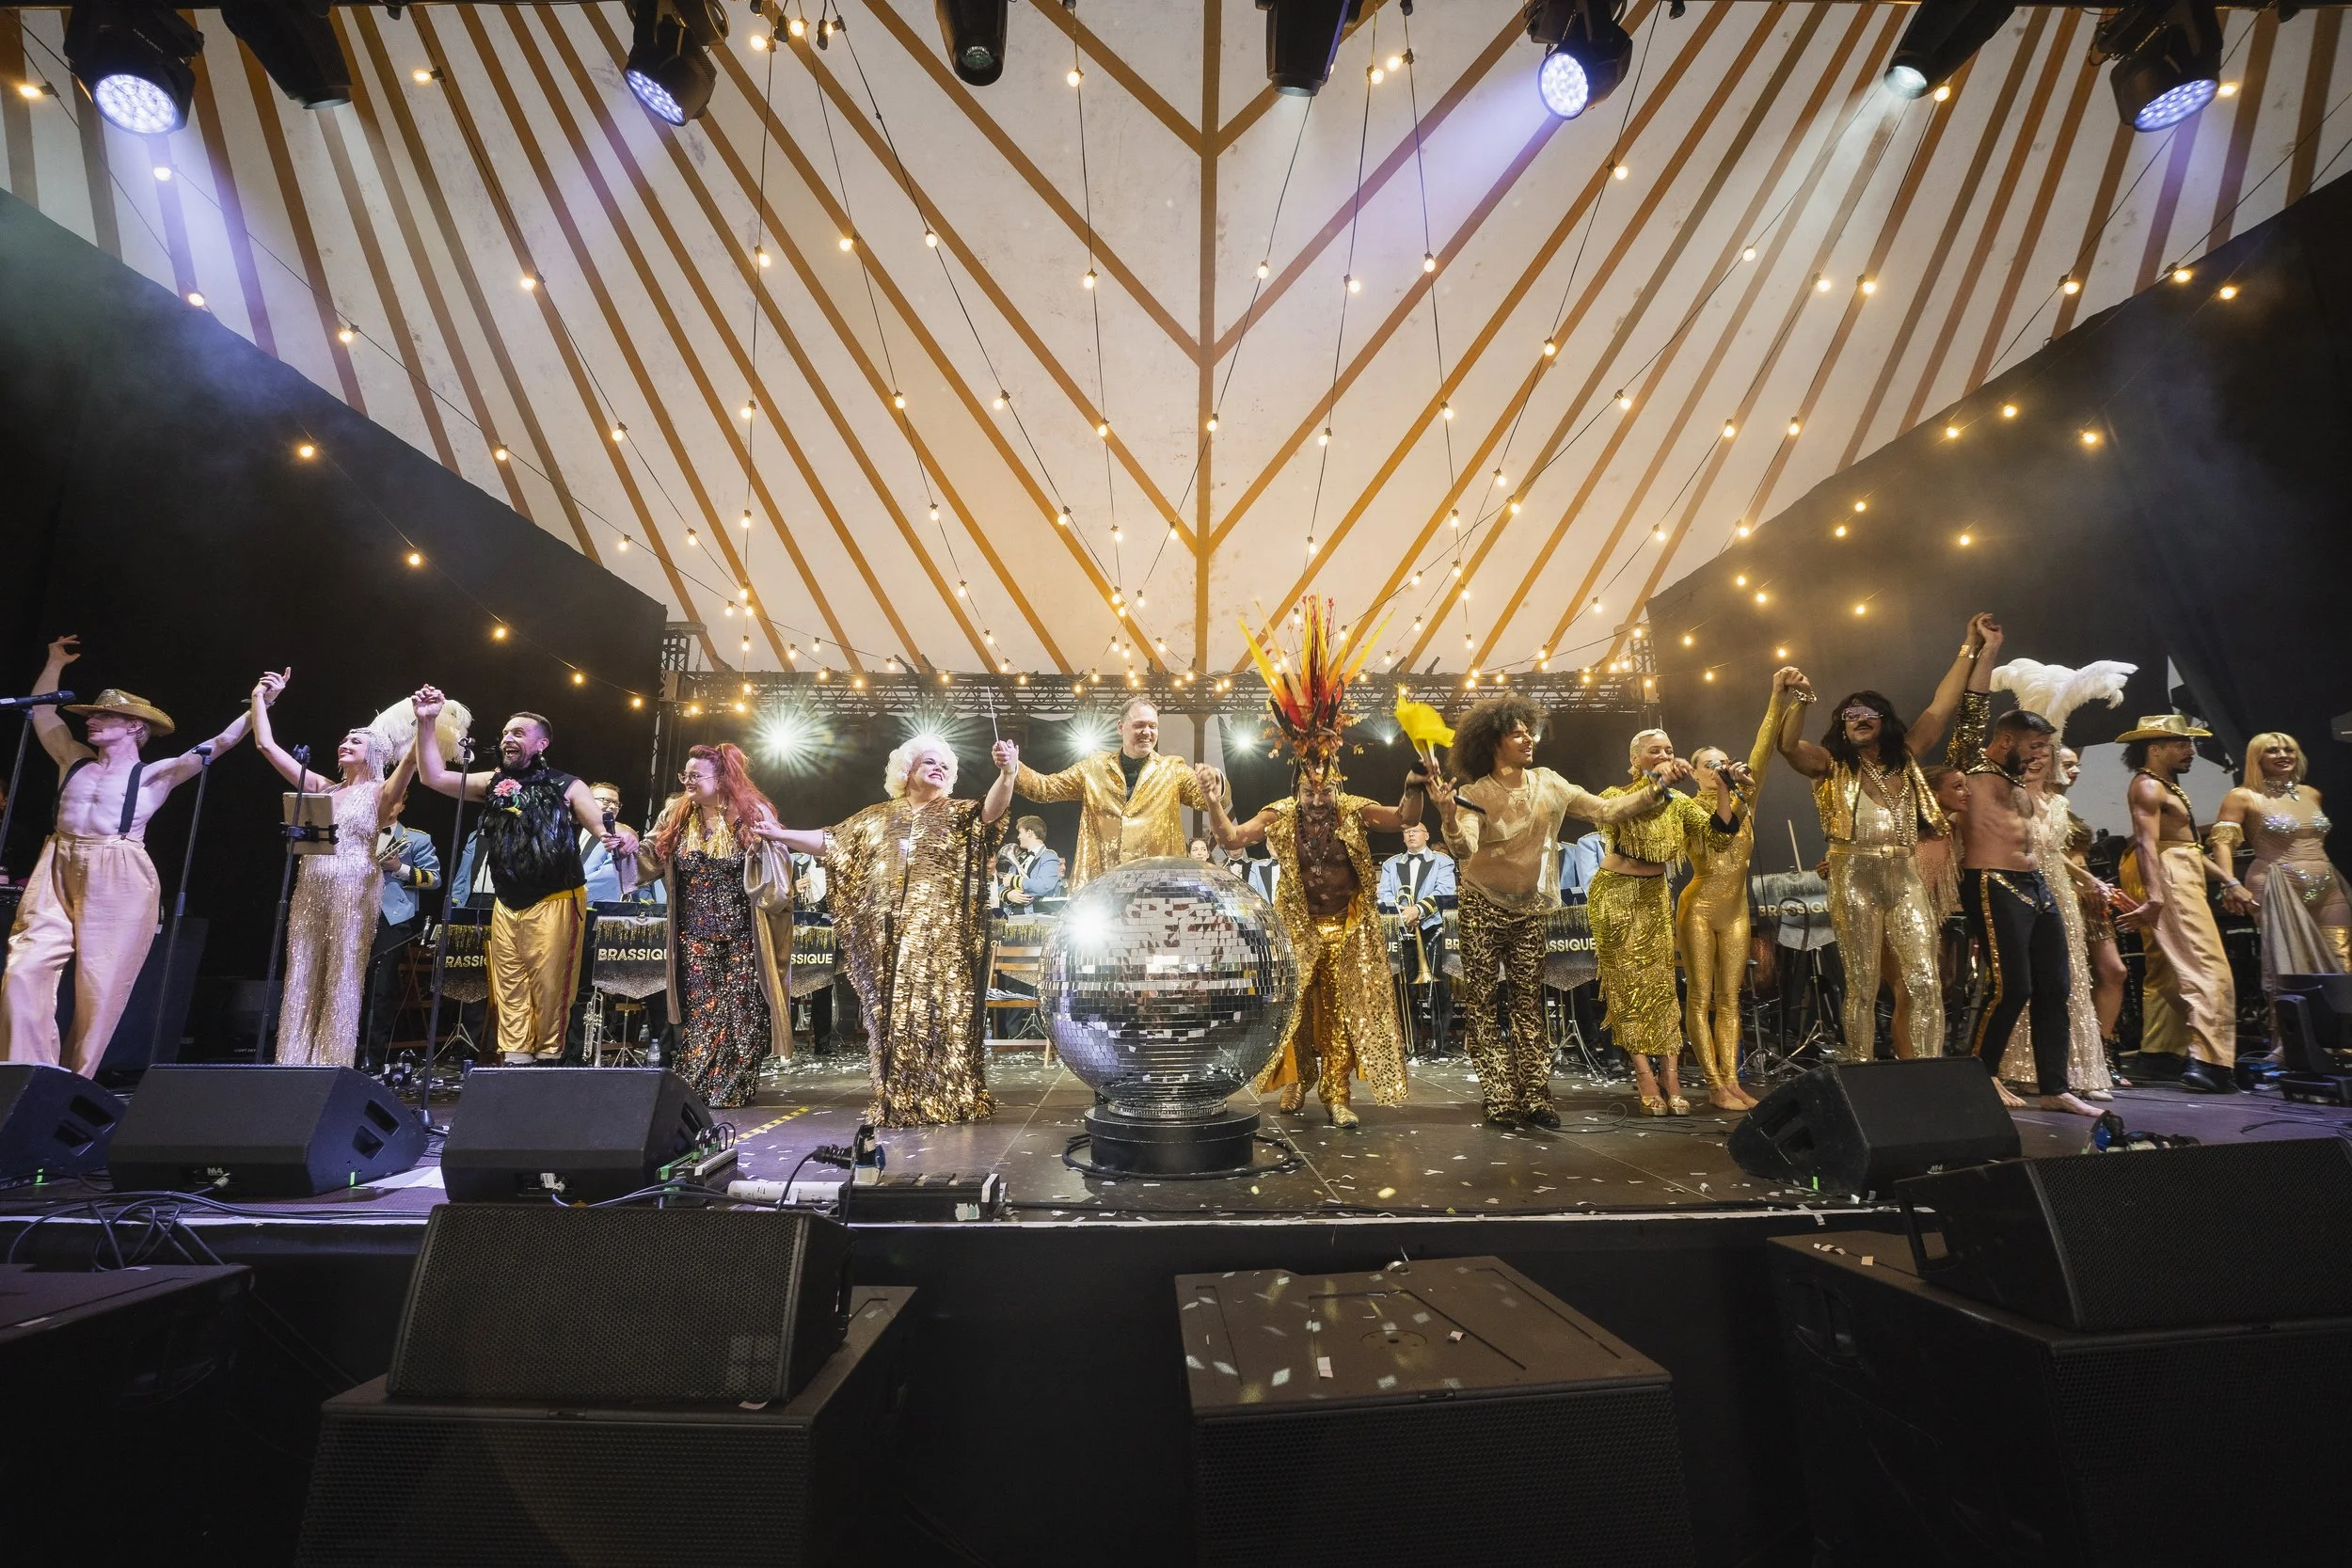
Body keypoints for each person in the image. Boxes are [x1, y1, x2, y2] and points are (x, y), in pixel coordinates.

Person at [1199, 598, 1420, 1128]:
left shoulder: (1353, 810)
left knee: (1340, 1012)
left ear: (1336, 785)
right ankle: (1298, 1081)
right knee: (1293, 1010)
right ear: (1297, 786)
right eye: (1309, 791)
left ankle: (1338, 1094)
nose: (1318, 799)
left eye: (1325, 791)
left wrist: (1414, 787)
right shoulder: (1279, 814)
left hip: (1347, 928)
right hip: (1297, 928)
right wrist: (1212, 800)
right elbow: (1231, 839)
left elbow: (1401, 819)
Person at [1, 637, 256, 1076]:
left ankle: (73, 1079)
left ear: (135, 726)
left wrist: (258, 706)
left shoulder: (154, 775)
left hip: (118, 870)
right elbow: (43, 712)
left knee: (100, 986)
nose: (92, 721)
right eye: (93, 715)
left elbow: (220, 743)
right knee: (24, 969)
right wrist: (54, 663)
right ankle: (25, 1071)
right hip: (58, 860)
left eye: (104, 716)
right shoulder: (73, 759)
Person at [1435, 692, 1686, 1128]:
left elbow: (1606, 810)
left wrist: (1656, 789)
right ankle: (1499, 1096)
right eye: (1517, 734)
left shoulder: (1549, 782)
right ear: (1493, 743)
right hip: (1481, 904)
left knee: (1528, 1002)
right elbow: (1464, 847)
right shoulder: (1475, 794)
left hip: (1530, 909)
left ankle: (1534, 1095)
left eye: (1528, 732)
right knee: (1482, 1002)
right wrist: (1448, 816)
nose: (1528, 739)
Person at [759, 735, 1016, 1126]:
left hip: (940, 939)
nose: (939, 768)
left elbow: (992, 812)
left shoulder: (959, 813)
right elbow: (831, 841)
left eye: (945, 765)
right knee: (892, 1015)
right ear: (907, 769)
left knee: (938, 1013)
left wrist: (1007, 773)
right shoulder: (877, 816)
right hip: (887, 938)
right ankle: (898, 1094)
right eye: (929, 762)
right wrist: (780, 834)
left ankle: (947, 1094)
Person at [1772, 613, 1991, 1061]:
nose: (1858, 719)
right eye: (1849, 715)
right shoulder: (1830, 765)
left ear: (1883, 721)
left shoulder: (1906, 757)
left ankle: (1929, 1073)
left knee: (1926, 980)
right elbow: (1788, 746)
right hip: (1854, 875)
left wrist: (1971, 645)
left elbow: (1941, 706)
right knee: (1863, 984)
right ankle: (1862, 1069)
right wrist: (1802, 700)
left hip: (1904, 876)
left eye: (1866, 713)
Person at [408, 688, 636, 1066]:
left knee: (549, 986)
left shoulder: (567, 785)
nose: (507, 739)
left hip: (556, 899)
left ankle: (546, 1060)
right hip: (507, 902)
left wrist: (622, 837)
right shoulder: (492, 781)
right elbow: (433, 777)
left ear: (541, 744)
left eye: (517, 733)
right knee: (509, 985)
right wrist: (427, 722)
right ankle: (516, 1061)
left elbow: (601, 826)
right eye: (504, 733)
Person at [1945, 635, 2100, 1116]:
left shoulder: (2019, 780)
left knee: (2056, 987)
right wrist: (1986, 649)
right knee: (2011, 987)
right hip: (1992, 881)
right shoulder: (1972, 763)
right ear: (2005, 740)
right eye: (2034, 746)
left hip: (2037, 885)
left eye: (2045, 747)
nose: (2040, 756)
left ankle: (2055, 1087)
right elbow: (1972, 706)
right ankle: (1983, 1075)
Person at [248, 673, 423, 1067]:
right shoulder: (323, 789)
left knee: (343, 971)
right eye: (344, 739)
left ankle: (331, 1061)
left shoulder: (381, 792)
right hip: (311, 884)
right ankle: (292, 1060)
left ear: (375, 753)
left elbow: (412, 759)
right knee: (301, 969)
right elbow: (266, 746)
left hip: (354, 885)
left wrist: (424, 720)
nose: (345, 744)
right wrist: (261, 698)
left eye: (355, 741)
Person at [636, 744, 791, 1108]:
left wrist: (762, 847)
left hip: (744, 935)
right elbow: (650, 854)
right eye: (685, 775)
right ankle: (698, 1082)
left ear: (721, 778)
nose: (687, 782)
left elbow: (778, 867)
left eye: (695, 776)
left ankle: (733, 1085)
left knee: (742, 1009)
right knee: (704, 1010)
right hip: (695, 935)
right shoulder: (677, 814)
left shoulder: (752, 812)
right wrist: (626, 846)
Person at [1593, 729, 1718, 1116]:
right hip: (1615, 895)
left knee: (1663, 986)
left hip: (1655, 896)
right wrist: (1658, 784)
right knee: (1627, 986)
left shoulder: (1680, 803)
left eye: (1669, 749)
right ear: (1635, 760)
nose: (1664, 754)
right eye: (1654, 751)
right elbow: (1633, 813)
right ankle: (1645, 1075)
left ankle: (1671, 1076)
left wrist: (1729, 790)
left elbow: (1718, 835)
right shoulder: (1616, 796)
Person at [2117, 715, 2239, 1091]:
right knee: (2208, 968)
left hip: (2181, 870)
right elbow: (2146, 843)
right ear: (2154, 749)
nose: (2191, 751)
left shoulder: (2163, 786)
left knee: (2170, 970)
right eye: (2181, 744)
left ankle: (2161, 1055)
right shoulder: (2148, 786)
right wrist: (2155, 896)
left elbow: (2187, 846)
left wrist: (2230, 880)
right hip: (2172, 877)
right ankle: (2210, 1062)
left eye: (2190, 743)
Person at [1990, 749, 2115, 1101]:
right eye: (2030, 753)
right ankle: (2024, 1068)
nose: (2036, 760)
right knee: (2028, 979)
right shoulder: (2007, 797)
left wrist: (2088, 879)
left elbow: (2054, 851)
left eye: (2043, 754)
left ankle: (2080, 1071)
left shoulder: (2058, 804)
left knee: (2070, 978)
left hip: (2059, 890)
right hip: (2021, 885)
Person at [1678, 701, 1779, 1113]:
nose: (1718, 768)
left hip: (1735, 908)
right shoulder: (1687, 808)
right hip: (1699, 908)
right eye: (1709, 765)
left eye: (1722, 762)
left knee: (1731, 999)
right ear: (1695, 773)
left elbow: (1763, 751)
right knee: (1700, 997)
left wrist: (1778, 697)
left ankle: (1733, 1081)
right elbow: (1719, 833)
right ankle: (1714, 1084)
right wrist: (1729, 792)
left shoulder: (1745, 801)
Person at [1014, 698, 1222, 888]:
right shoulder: (1093, 767)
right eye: (1139, 725)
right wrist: (1012, 768)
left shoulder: (1172, 769)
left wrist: (1214, 782)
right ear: (1120, 727)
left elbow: (1207, 799)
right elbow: (1046, 788)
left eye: (1153, 726)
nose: (1147, 732)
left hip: (1158, 890)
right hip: (1102, 889)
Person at [2211, 732, 2348, 993]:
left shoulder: (2311, 794)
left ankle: (2340, 1019)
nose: (2283, 755)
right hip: (2276, 884)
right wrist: (2229, 883)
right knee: (2290, 966)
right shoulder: (2242, 796)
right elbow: (2222, 842)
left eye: (2289, 750)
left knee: (2342, 958)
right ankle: (2293, 1020)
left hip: (2327, 885)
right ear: (2257, 758)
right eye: (2272, 750)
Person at [363, 789, 440, 1067]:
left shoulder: (416, 839)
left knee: (380, 987)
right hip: (354, 913)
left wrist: (399, 868)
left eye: (392, 801)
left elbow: (434, 879)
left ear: (401, 806)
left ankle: (372, 1057)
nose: (386, 806)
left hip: (391, 918)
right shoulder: (358, 834)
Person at [1379, 820, 1456, 1048]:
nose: (1411, 835)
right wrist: (1404, 914)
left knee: (1440, 987)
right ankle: (1409, 1043)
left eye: (1416, 831)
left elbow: (1445, 891)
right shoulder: (1391, 864)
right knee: (1405, 988)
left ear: (1426, 835)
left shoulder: (1443, 861)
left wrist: (1418, 910)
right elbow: (1384, 894)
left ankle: (1440, 1043)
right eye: (1407, 832)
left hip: (1434, 929)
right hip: (1402, 931)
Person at [1002, 817, 1065, 911]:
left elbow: (1044, 885)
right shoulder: (1020, 859)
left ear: (1029, 833)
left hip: (1037, 917)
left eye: (1020, 833)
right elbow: (1002, 886)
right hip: (1013, 917)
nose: (1018, 837)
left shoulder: (1050, 857)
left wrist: (1014, 881)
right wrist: (1009, 895)